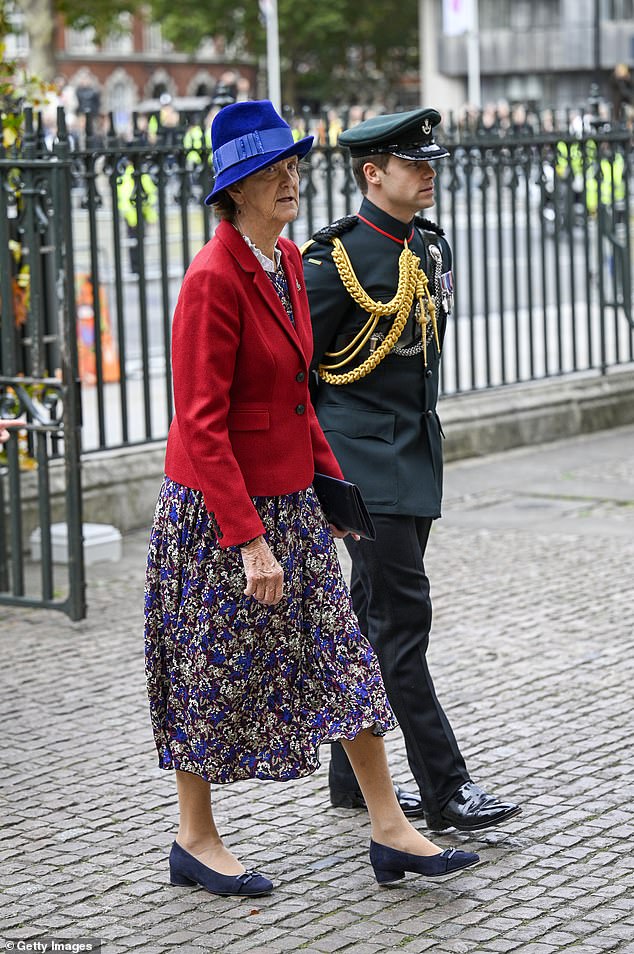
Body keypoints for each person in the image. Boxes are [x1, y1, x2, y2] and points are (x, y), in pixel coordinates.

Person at [143, 99, 479, 898]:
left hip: (292, 506)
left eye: (293, 163)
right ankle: (195, 839)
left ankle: (390, 829)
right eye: (273, 170)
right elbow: (201, 422)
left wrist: (336, 494)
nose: (292, 177)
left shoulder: (289, 260)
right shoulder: (211, 276)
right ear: (236, 188)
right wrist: (248, 538)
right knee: (208, 675)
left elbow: (301, 395)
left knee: (347, 662)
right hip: (222, 517)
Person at [302, 108, 523, 833]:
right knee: (402, 624)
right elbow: (297, 374)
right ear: (373, 174)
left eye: (430, 164)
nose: (429, 174)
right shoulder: (333, 262)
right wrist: (316, 476)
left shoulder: (427, 248)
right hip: (363, 468)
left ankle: (347, 775)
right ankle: (447, 790)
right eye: (414, 164)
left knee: (372, 622)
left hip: (413, 456)